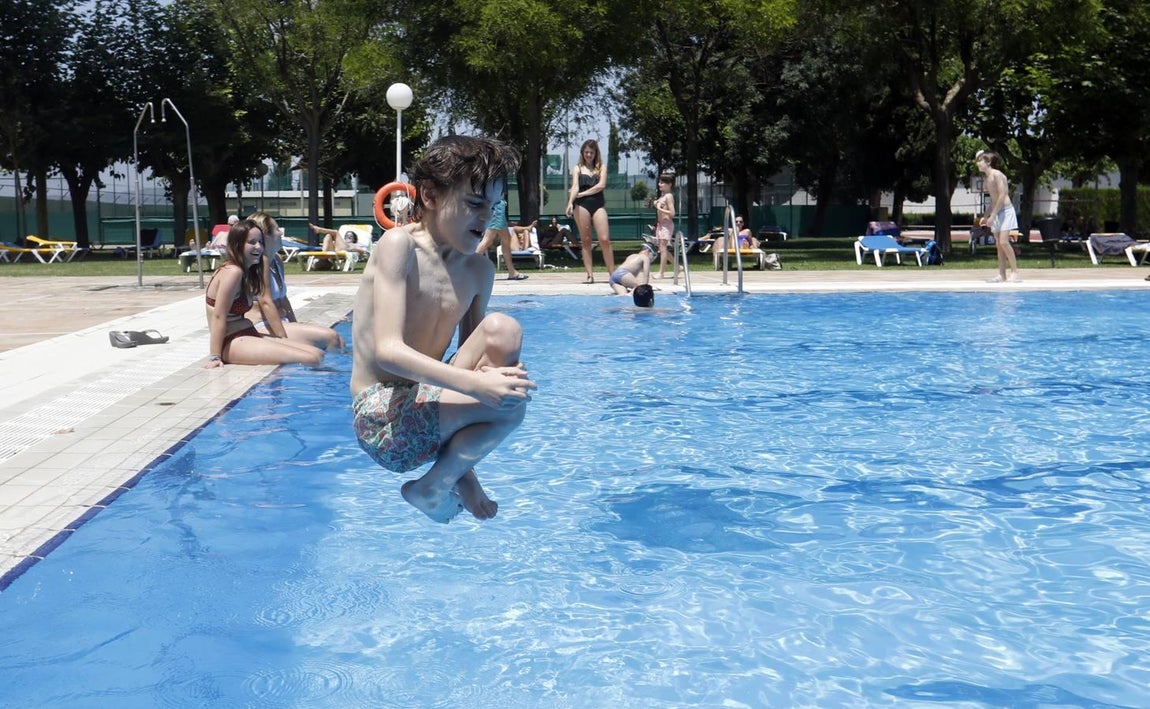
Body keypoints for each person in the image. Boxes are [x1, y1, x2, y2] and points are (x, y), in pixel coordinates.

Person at [351, 135, 536, 524]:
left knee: (503, 331)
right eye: (474, 204)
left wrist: (484, 384)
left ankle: (456, 474)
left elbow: (471, 366)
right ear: (431, 196)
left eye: (493, 206)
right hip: (382, 419)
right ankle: (433, 485)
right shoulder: (399, 245)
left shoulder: (479, 270)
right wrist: (480, 387)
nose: (486, 217)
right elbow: (388, 350)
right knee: (507, 409)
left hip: (426, 407)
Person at [203, 219, 325, 368]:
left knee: (317, 353)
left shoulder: (246, 271)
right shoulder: (232, 272)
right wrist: (214, 356)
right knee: (311, 359)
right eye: (252, 242)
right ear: (237, 244)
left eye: (260, 242)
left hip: (246, 334)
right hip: (230, 341)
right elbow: (218, 315)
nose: (258, 247)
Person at [246, 212, 343, 350]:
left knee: (338, 340)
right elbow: (266, 303)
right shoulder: (260, 263)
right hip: (262, 326)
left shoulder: (277, 260)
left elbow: (283, 299)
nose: (281, 234)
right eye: (277, 229)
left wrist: (294, 324)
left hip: (281, 322)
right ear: (266, 235)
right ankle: (326, 371)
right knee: (331, 338)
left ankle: (327, 370)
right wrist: (284, 339)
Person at [565, 139, 616, 283]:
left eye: (591, 152)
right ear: (582, 153)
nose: (589, 155)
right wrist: (570, 202)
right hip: (581, 206)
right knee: (586, 240)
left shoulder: (601, 167)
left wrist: (583, 193)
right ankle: (589, 275)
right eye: (586, 152)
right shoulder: (577, 168)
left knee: (605, 240)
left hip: (598, 204)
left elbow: (601, 186)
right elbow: (575, 187)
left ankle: (613, 275)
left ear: (596, 153)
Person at [976, 150, 1021, 283]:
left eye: (980, 160)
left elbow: (1002, 195)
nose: (978, 163)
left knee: (1003, 242)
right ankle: (1002, 274)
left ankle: (1015, 272)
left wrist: (993, 215)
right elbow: (993, 200)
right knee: (998, 245)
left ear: (988, 162)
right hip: (997, 211)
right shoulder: (987, 179)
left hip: (1006, 211)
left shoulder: (997, 175)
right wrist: (985, 216)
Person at [475, 196, 528, 280]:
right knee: (488, 240)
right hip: (496, 207)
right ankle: (467, 267)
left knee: (506, 239)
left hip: (498, 205)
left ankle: (512, 272)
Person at [653, 174, 675, 278]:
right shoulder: (662, 196)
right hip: (661, 225)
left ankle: (661, 273)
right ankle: (677, 267)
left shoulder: (669, 196)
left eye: (662, 183)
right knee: (662, 248)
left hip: (666, 224)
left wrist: (659, 208)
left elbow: (672, 213)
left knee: (663, 248)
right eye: (659, 182)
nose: (659, 184)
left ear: (669, 184)